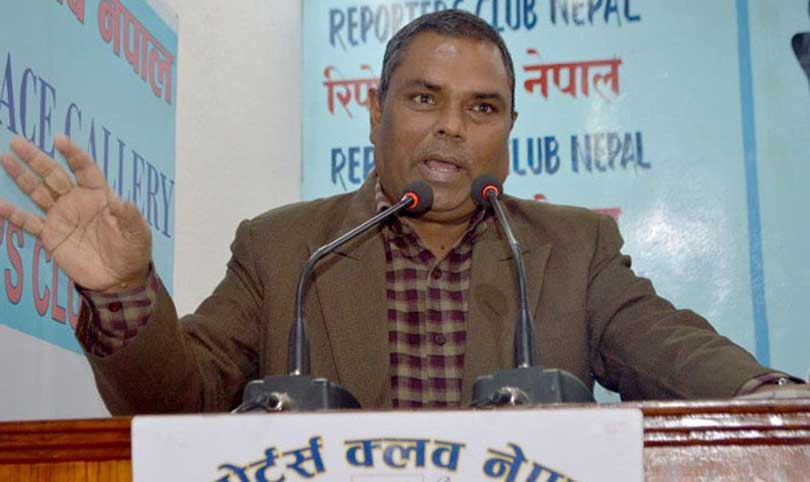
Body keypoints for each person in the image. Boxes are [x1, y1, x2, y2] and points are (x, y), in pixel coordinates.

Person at [0, 10, 805, 414]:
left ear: (509, 130)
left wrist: (768, 396)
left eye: (482, 108)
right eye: (424, 99)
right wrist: (123, 292)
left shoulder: (574, 246)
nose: (452, 126)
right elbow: (181, 402)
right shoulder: (285, 249)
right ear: (375, 110)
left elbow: (668, 346)